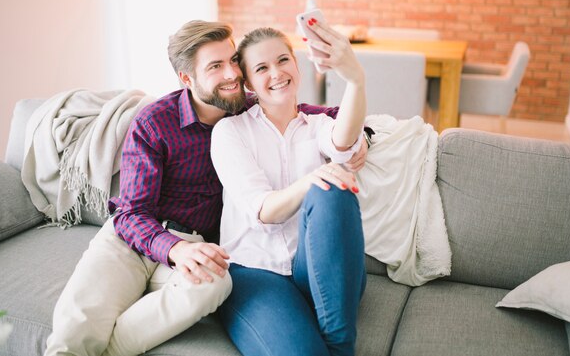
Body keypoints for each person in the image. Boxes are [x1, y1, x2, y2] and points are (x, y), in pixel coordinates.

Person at [44, 20, 366, 356]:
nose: (232, 74)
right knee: (76, 328)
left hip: (197, 246)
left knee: (213, 284)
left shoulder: (246, 104)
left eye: (233, 61)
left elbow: (302, 111)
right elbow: (131, 212)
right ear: (187, 79)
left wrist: (362, 135)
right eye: (215, 67)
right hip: (133, 242)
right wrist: (174, 248)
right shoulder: (155, 122)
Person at [210, 22, 368, 356]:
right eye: (261, 68)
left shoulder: (319, 125)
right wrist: (309, 180)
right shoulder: (230, 133)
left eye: (283, 60)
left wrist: (355, 78)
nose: (276, 73)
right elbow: (262, 211)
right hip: (255, 273)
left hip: (318, 268)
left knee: (334, 188)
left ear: (297, 64)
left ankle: (342, 347)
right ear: (248, 81)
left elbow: (344, 142)